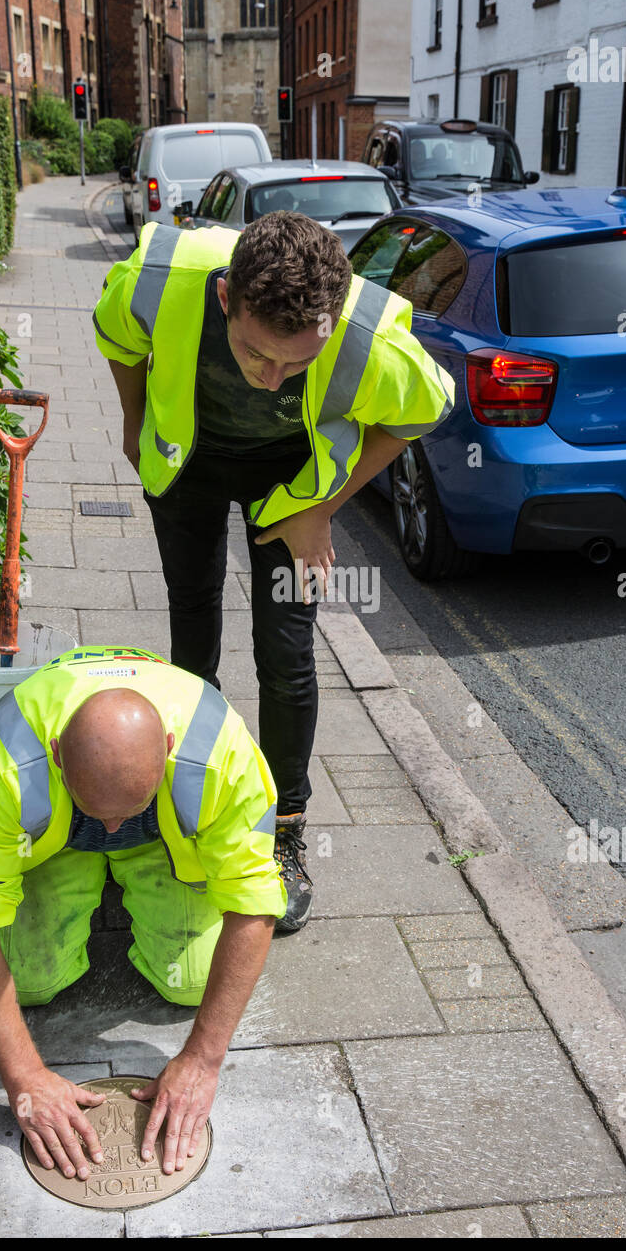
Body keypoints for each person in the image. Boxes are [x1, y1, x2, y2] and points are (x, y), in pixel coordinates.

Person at [93, 211, 454, 932]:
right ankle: (186, 797)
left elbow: (423, 410)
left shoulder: (366, 337)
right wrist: (133, 425)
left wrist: (326, 507)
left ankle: (285, 831)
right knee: (191, 627)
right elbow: (118, 337)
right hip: (190, 464)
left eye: (297, 362)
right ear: (226, 297)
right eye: (258, 354)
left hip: (288, 488)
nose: (272, 377)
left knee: (285, 653)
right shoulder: (158, 278)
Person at [0, 645, 286, 1182]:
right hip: (56, 841)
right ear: (53, 753)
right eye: (100, 813)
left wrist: (203, 1061)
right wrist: (24, 1078)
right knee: (28, 984)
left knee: (192, 986)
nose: (113, 830)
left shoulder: (222, 755)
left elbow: (255, 903)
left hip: (162, 839)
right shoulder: (1, 761)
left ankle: (123, 851)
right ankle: (89, 857)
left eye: (128, 811)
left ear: (168, 748)